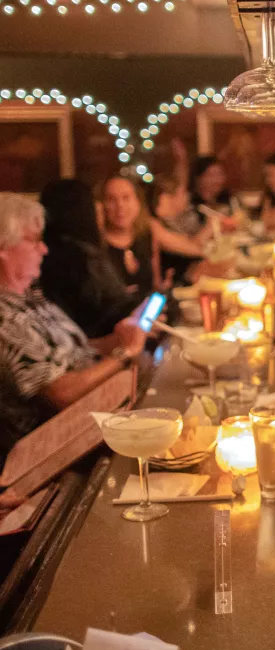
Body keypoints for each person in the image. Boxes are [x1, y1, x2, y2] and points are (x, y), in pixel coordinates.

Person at [0, 193, 146, 465]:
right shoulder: (5, 318)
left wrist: (115, 340)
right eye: (33, 241)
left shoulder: (29, 296)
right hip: (64, 451)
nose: (44, 249)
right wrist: (124, 354)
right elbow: (61, 393)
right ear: (3, 248)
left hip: (103, 412)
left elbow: (68, 352)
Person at [39, 179, 141, 338]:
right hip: (105, 345)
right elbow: (107, 313)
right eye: (94, 201)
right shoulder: (81, 256)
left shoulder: (49, 251)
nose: (99, 207)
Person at [99, 175, 205, 297]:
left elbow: (155, 286)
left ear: (138, 201)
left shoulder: (147, 233)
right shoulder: (98, 244)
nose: (120, 206)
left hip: (147, 313)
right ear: (102, 205)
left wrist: (169, 286)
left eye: (126, 198)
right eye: (111, 199)